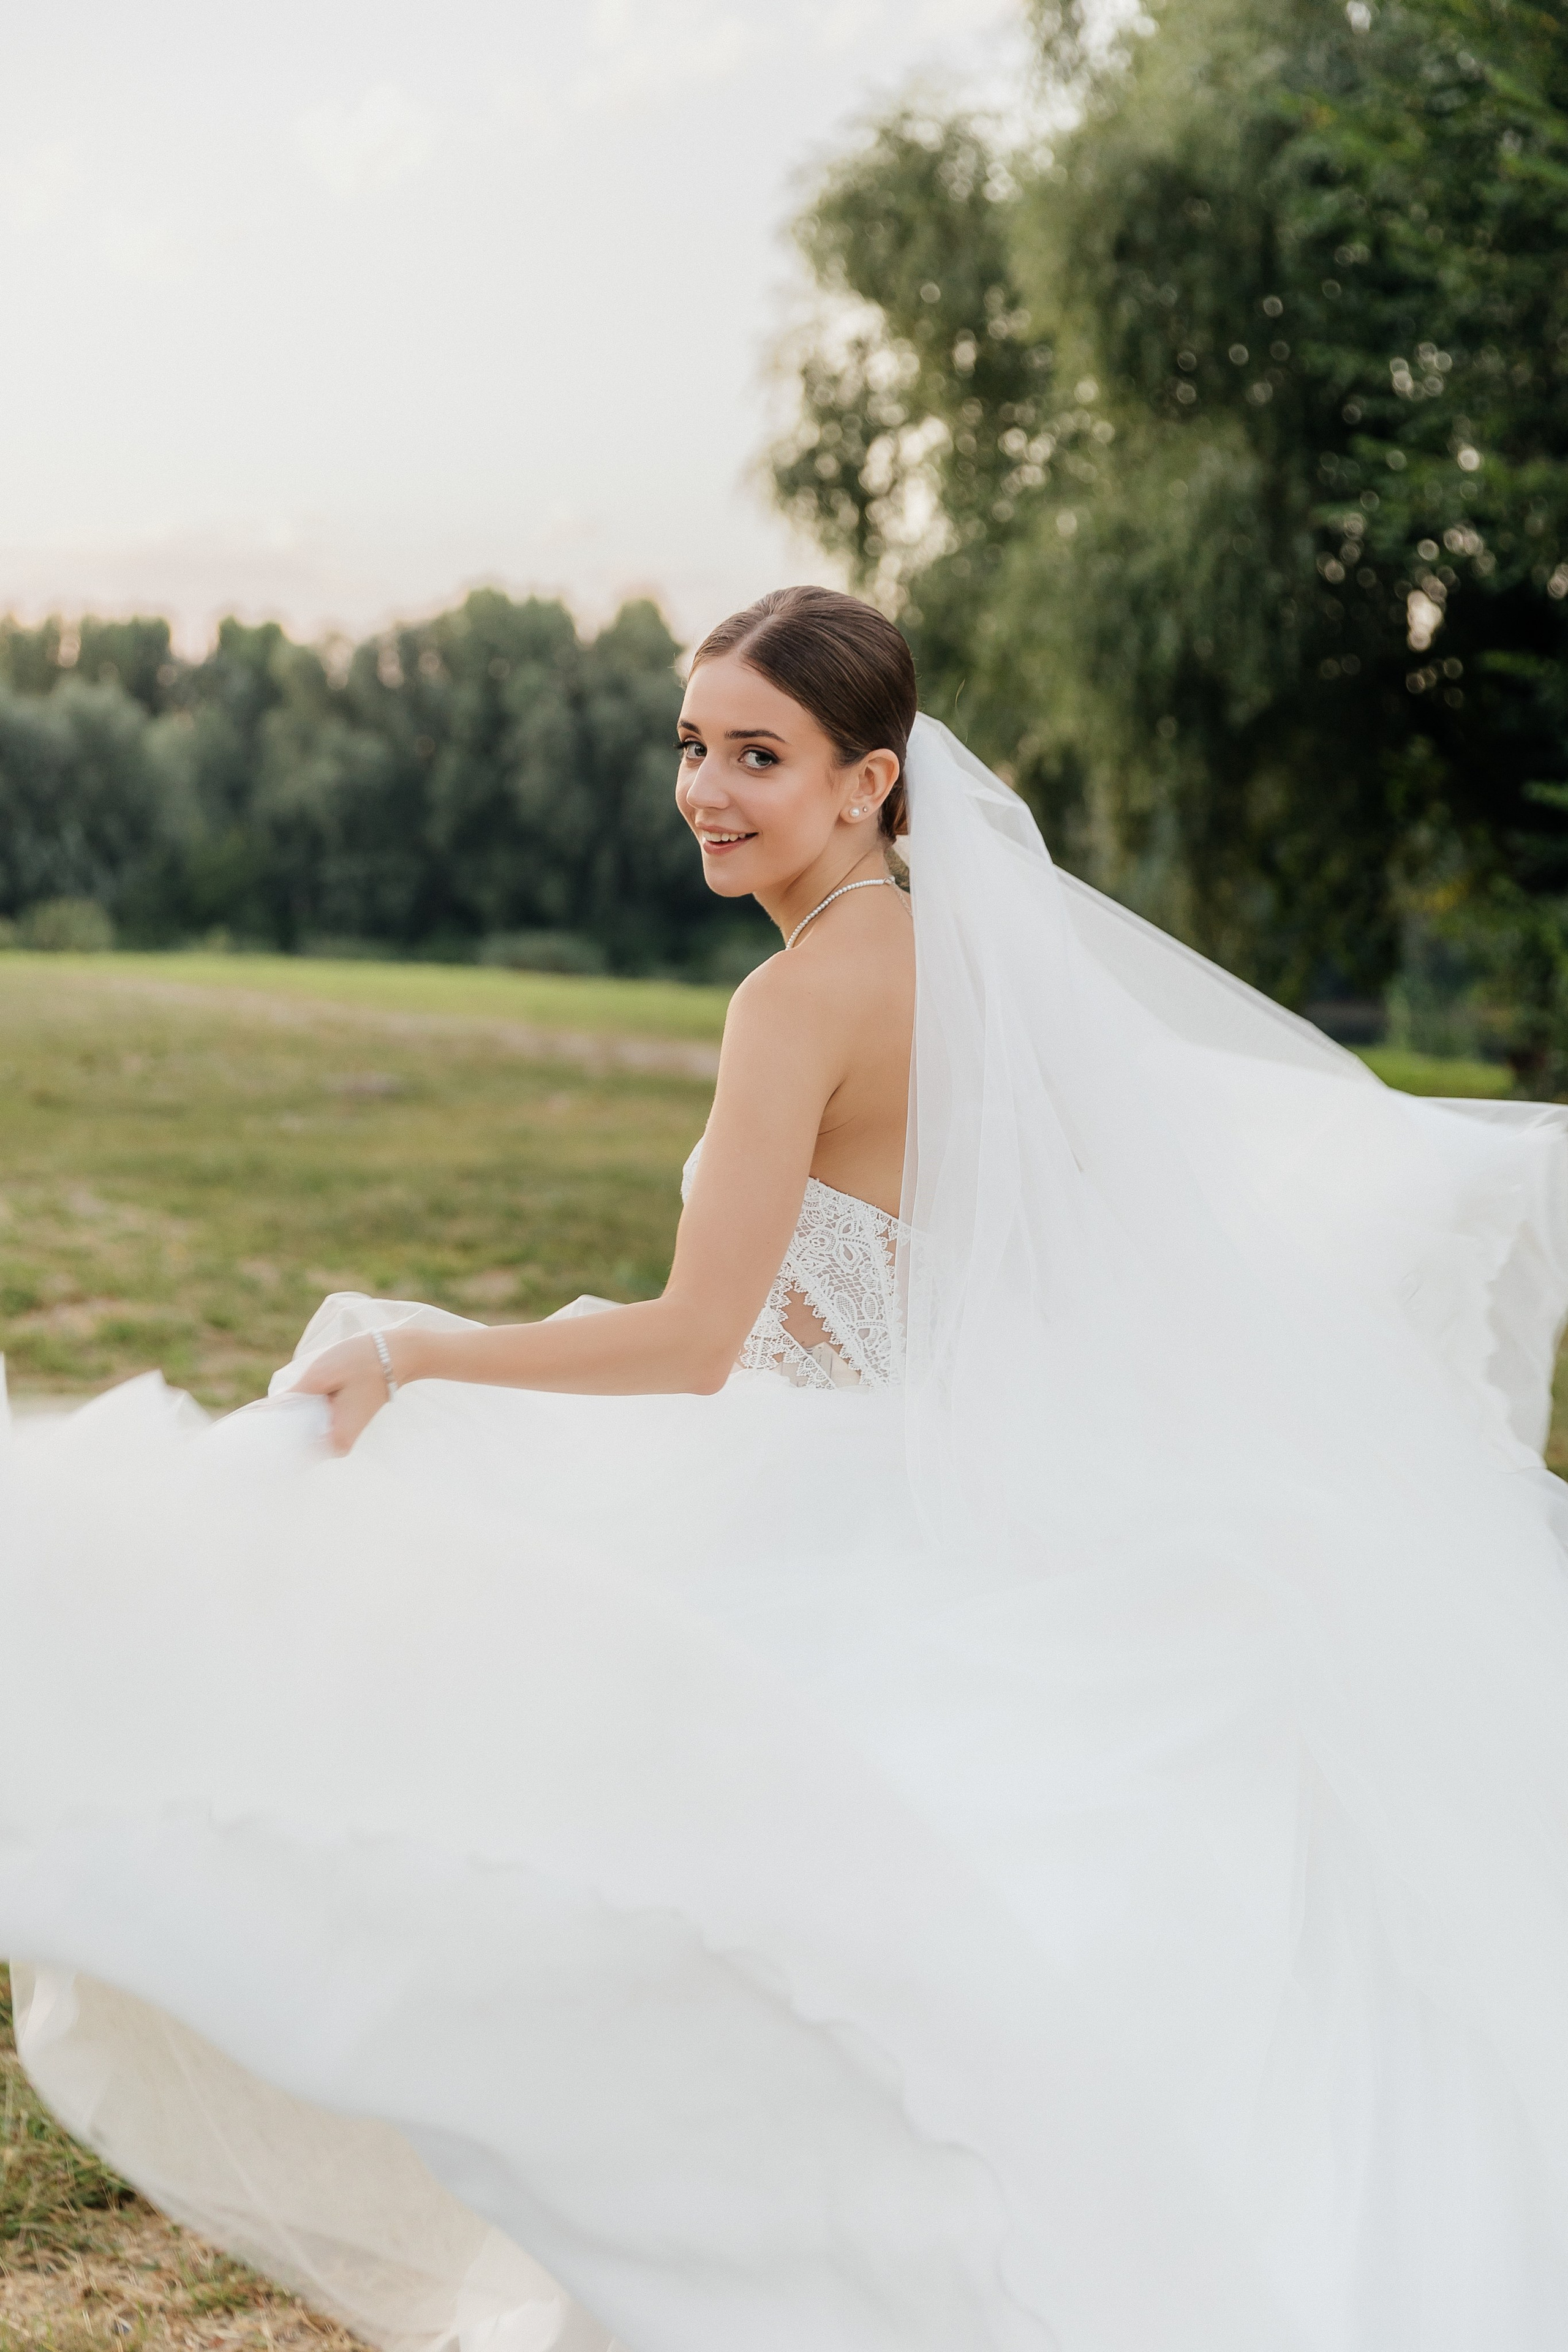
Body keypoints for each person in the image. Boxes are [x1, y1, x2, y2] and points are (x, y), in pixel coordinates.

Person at [2, 583, 1568, 2352]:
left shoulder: (797, 1001)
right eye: (692, 745)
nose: (708, 788)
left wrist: (429, 1350)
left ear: (869, 781)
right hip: (983, 1499)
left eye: (760, 754)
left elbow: (691, 1344)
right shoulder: (983, 977)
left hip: (842, 1507)